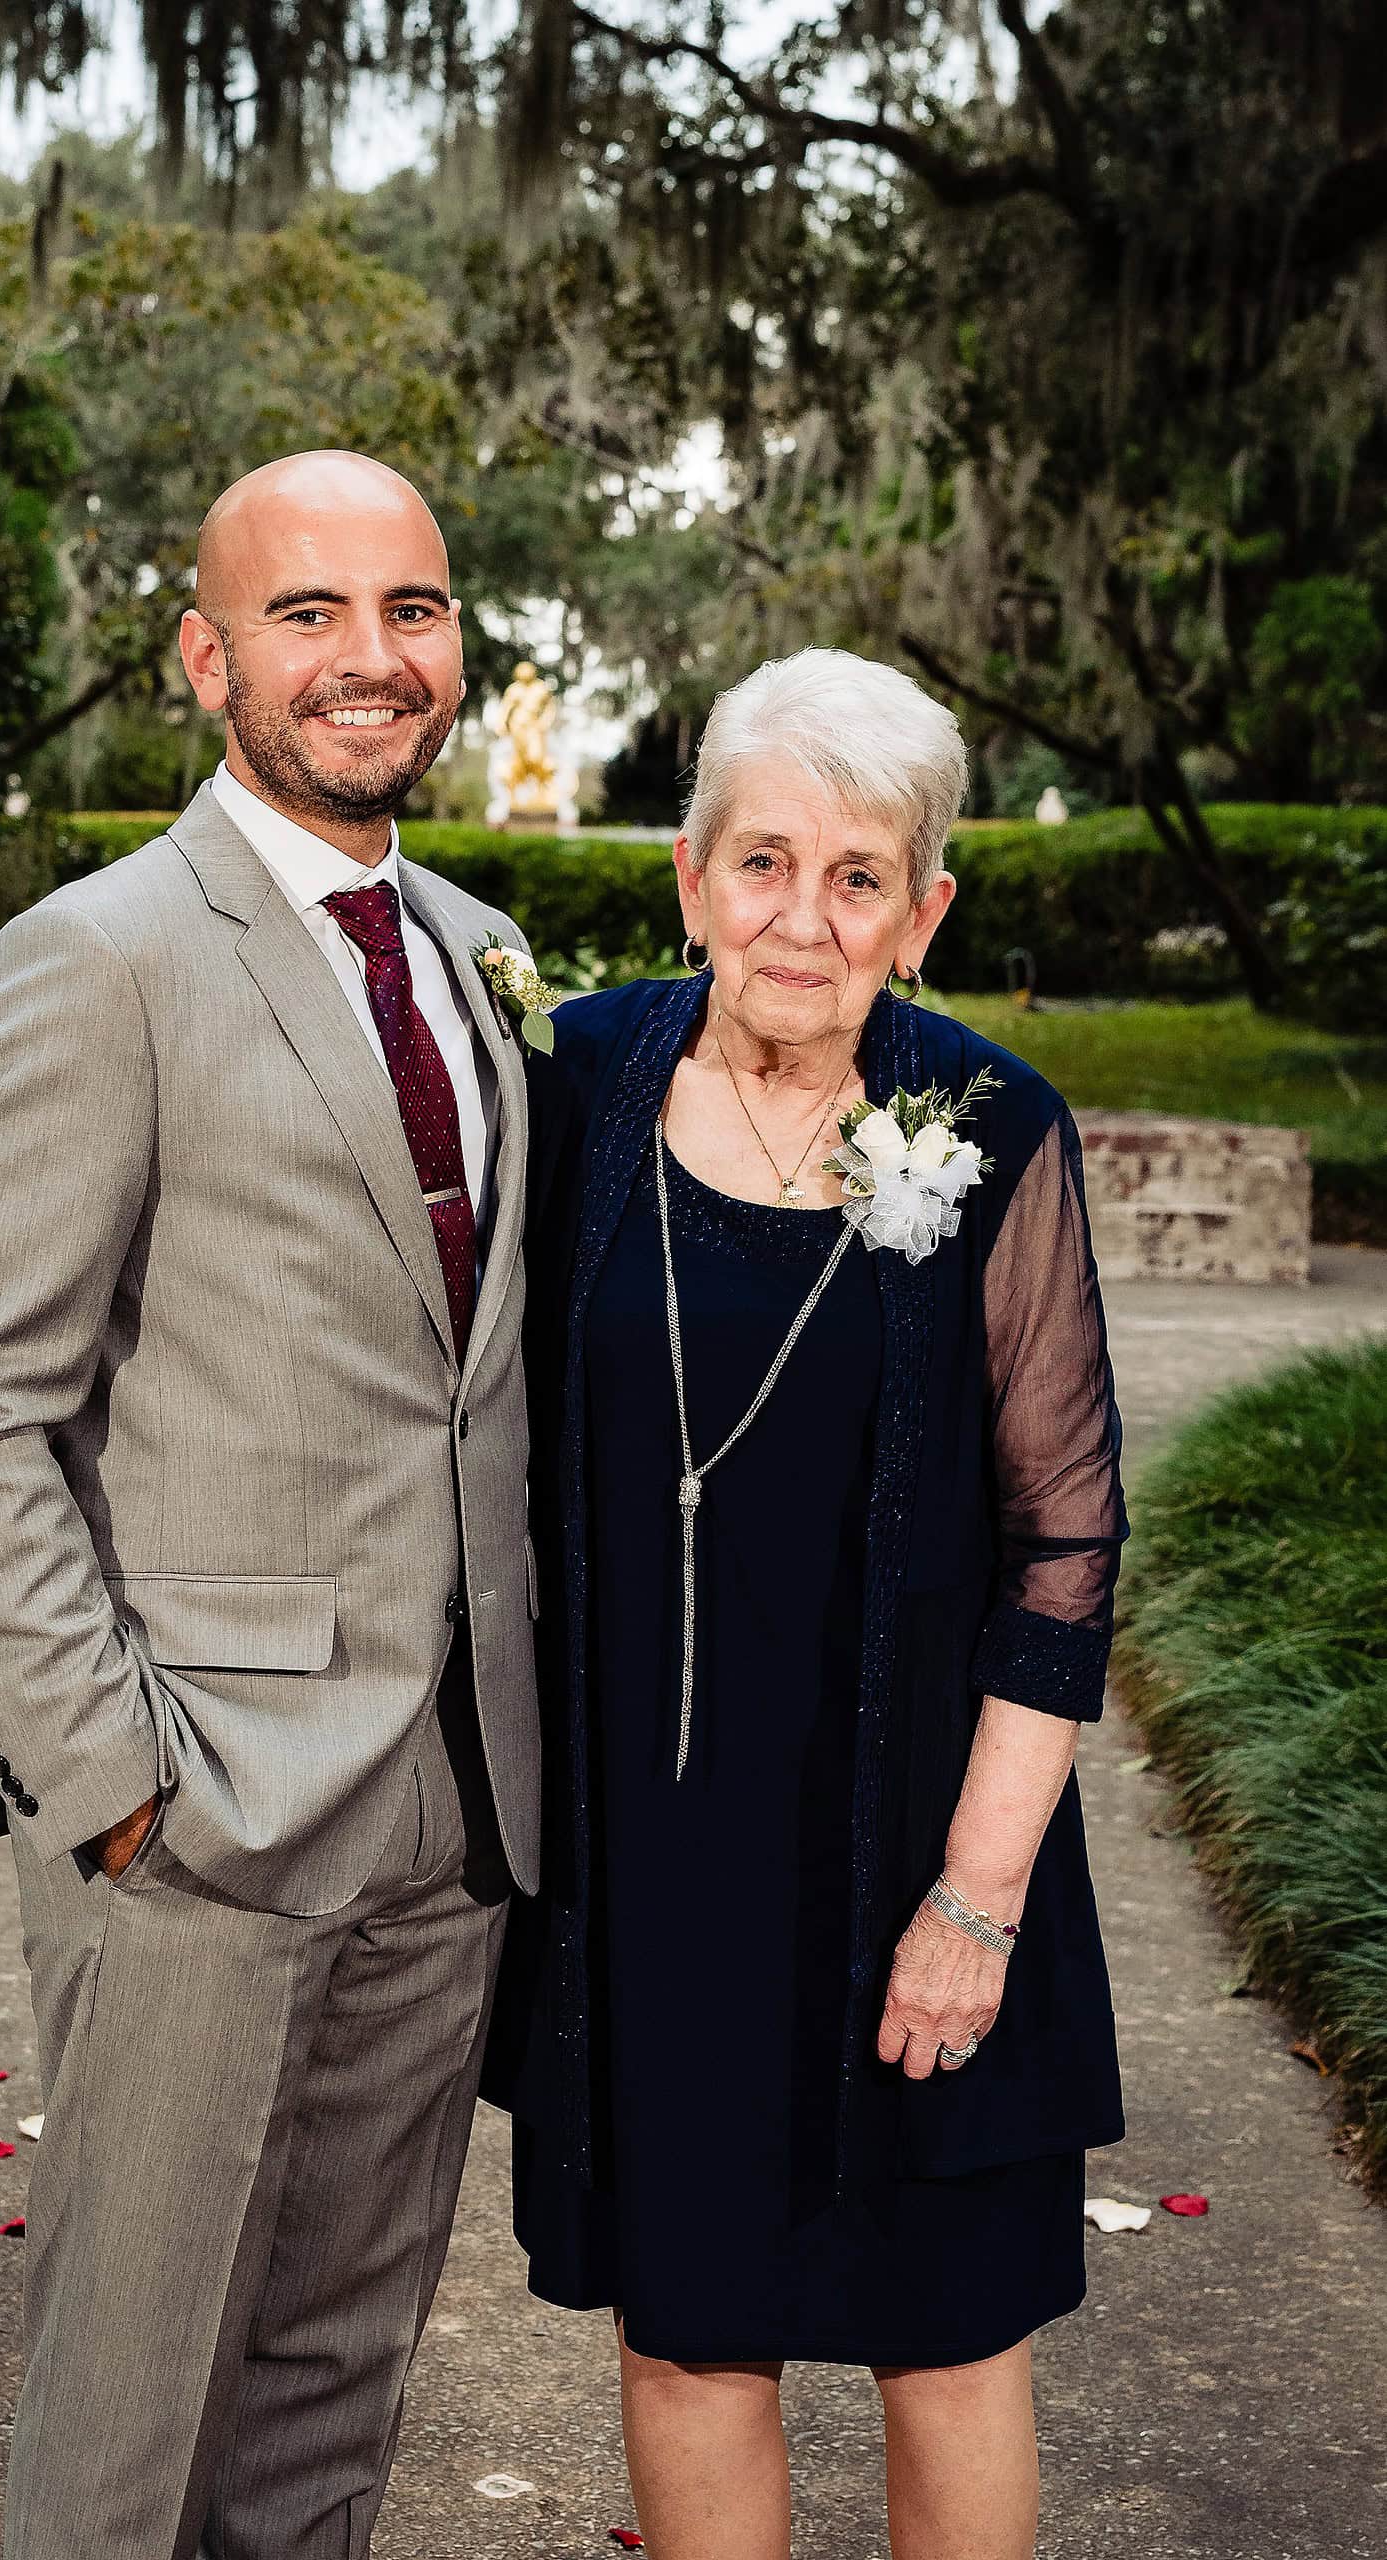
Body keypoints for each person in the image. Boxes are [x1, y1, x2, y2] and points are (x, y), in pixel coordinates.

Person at [0, 450, 542, 2560]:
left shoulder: (474, 948)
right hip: (192, 1817)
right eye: (307, 613)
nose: (370, 659)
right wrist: (112, 1784)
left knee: (329, 2398)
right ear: (205, 656)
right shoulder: (98, 958)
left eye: (412, 609)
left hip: (448, 1815)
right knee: (127, 2422)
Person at [485, 647, 1129, 2560]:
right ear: (690, 877)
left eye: (861, 875)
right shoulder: (580, 1080)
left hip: (922, 1838)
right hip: (653, 1857)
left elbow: (1067, 1547)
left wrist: (979, 1899)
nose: (801, 916)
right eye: (762, 861)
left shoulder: (991, 1125)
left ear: (926, 912)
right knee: (693, 2338)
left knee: (949, 2335)